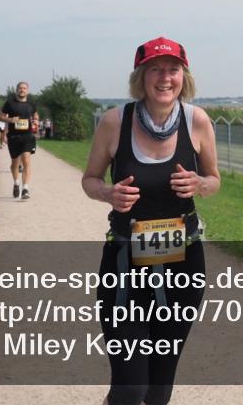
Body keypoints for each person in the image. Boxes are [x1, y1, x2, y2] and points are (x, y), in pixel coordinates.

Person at [82, 36, 220, 405]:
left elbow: (214, 180)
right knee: (130, 386)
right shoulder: (115, 122)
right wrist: (108, 193)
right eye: (155, 69)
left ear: (183, 76)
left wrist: (200, 183)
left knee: (159, 389)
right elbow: (90, 179)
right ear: (140, 77)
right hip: (125, 263)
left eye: (173, 69)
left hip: (184, 264)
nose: (165, 77)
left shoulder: (197, 121)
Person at [1, 81, 38, 200]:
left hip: (27, 136)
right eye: (20, 88)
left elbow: (36, 115)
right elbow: (1, 117)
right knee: (15, 163)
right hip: (14, 136)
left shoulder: (31, 104)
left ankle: (25, 189)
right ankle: (16, 183)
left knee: (26, 160)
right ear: (16, 90)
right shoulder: (9, 103)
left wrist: (35, 121)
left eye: (24, 88)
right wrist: (11, 120)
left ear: (27, 90)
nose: (22, 90)